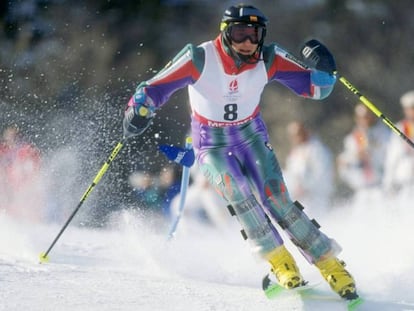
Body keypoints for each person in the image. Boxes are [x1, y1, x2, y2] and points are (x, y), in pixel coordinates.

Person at [122, 4, 358, 300]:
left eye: (254, 35)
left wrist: (326, 69)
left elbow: (316, 88)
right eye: (239, 34)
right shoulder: (199, 57)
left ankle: (331, 265)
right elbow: (155, 88)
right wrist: (139, 108)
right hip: (211, 142)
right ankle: (280, 264)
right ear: (225, 32)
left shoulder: (268, 58)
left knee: (278, 199)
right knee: (239, 195)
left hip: (250, 135)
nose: (247, 42)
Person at [337, 103, 390, 198]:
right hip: (361, 190)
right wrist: (355, 157)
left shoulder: (385, 134)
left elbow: (389, 158)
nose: (364, 120)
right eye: (361, 117)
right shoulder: (352, 138)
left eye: (367, 116)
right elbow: (344, 163)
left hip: (380, 187)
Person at [283, 121, 334, 217]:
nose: (295, 138)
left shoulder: (317, 149)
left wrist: (306, 187)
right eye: (292, 136)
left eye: (298, 134)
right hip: (299, 199)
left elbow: (322, 173)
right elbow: (291, 174)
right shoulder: (294, 153)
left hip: (316, 198)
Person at [0, 125, 43, 221]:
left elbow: (35, 162)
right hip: (7, 183)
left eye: (12, 136)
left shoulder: (25, 149)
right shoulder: (3, 149)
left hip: (21, 182)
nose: (9, 139)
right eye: (7, 137)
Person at [383, 91, 414, 195]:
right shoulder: (400, 128)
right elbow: (392, 156)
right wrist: (388, 183)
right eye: (410, 108)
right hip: (404, 183)